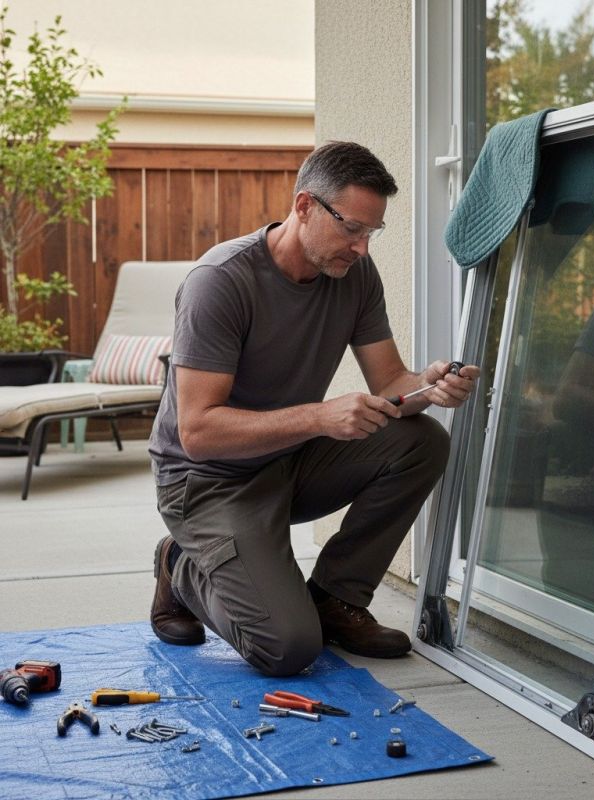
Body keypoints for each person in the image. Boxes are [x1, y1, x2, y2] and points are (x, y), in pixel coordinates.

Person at [147, 141, 479, 677]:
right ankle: (180, 565)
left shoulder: (354, 277)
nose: (362, 247)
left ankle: (334, 598)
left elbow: (392, 383)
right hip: (207, 482)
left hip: (289, 459)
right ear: (305, 207)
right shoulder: (221, 282)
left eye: (372, 232)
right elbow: (199, 432)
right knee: (287, 649)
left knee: (421, 440)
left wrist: (429, 387)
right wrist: (320, 417)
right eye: (352, 228)